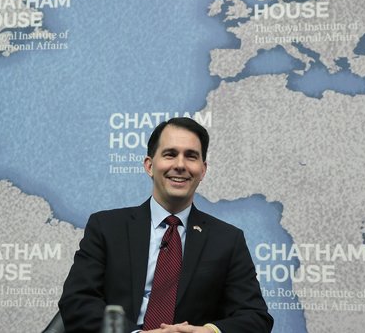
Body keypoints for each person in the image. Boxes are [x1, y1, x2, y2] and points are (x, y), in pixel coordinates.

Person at [59, 117, 273, 332]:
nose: (180, 165)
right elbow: (77, 301)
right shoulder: (106, 227)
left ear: (203, 170)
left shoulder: (227, 240)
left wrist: (209, 331)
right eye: (170, 154)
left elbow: (255, 317)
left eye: (191, 156)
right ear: (149, 166)